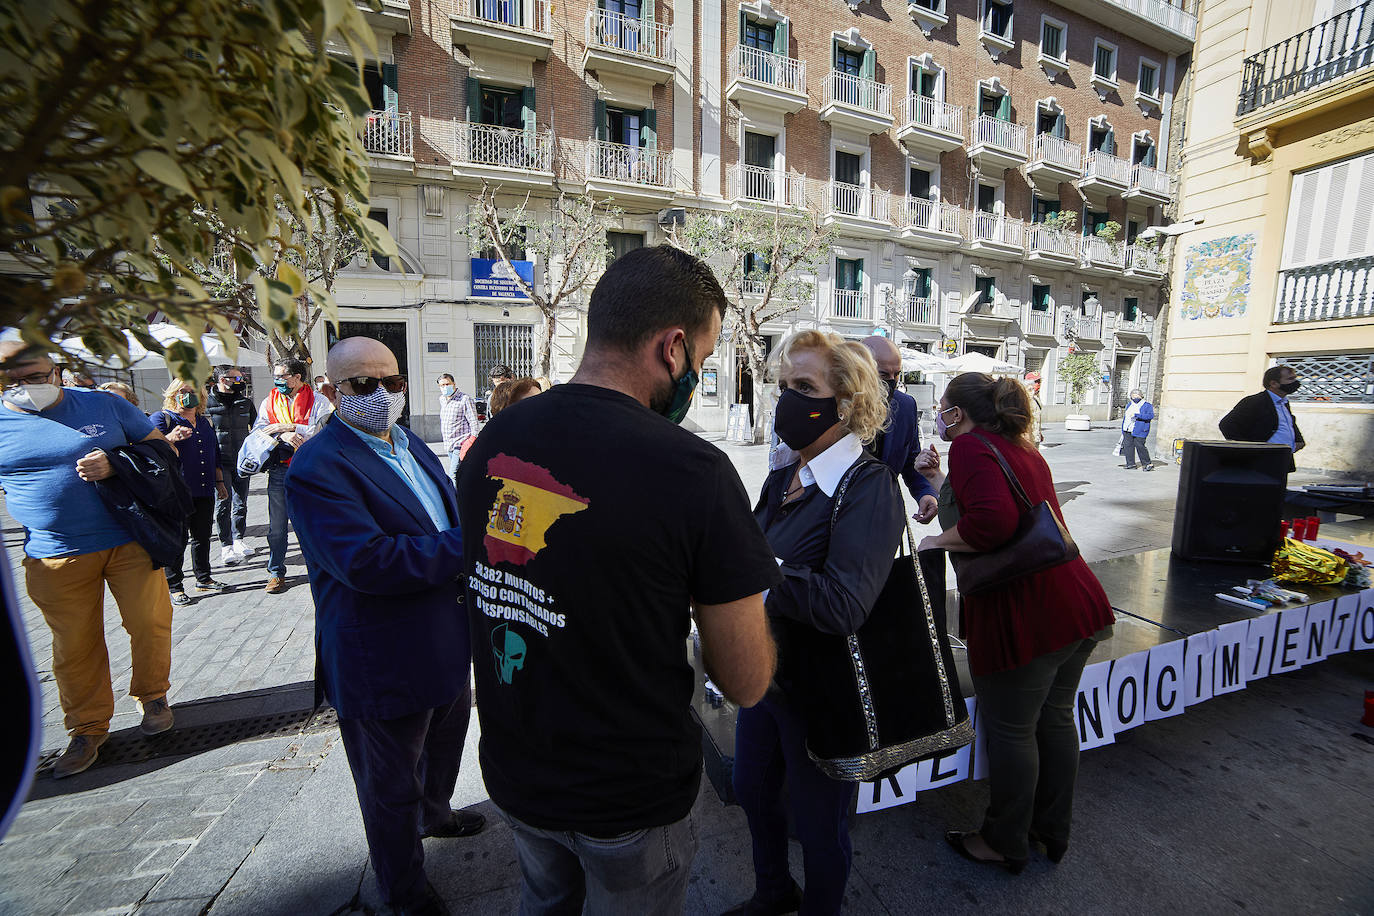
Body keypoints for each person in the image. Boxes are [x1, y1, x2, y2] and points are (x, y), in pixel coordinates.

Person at [456, 245, 778, 915]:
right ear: (672, 346)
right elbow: (745, 681)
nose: (699, 374)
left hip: (516, 774)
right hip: (630, 799)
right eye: (704, 359)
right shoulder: (695, 472)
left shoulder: (492, 444)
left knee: (542, 900)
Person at [286, 337, 481, 916]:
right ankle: (404, 891)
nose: (381, 396)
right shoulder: (317, 466)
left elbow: (442, 512)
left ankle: (437, 815)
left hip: (446, 640)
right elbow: (366, 561)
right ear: (330, 391)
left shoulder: (408, 442)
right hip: (383, 658)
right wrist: (475, 545)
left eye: (391, 384)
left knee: (444, 748)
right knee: (389, 786)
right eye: (363, 385)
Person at [729, 331, 905, 916]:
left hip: (823, 694)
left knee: (820, 826)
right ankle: (773, 890)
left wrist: (763, 568)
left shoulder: (869, 486)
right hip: (766, 678)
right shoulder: (785, 476)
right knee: (753, 792)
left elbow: (843, 604)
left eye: (804, 387)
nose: (787, 402)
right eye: (784, 387)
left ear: (849, 401)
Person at [916, 372, 1115, 873]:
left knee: (1012, 731)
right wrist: (941, 486)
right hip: (1075, 604)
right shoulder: (1016, 446)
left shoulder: (971, 448)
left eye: (941, 406)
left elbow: (993, 524)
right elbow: (994, 510)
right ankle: (1050, 831)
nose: (938, 414)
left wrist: (935, 543)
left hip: (1028, 615)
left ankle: (1004, 841)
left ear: (956, 413)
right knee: (1055, 719)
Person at [0, 342, 177, 778]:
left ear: (57, 372)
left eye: (35, 377)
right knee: (74, 645)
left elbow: (162, 450)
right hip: (54, 554)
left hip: (129, 540)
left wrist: (118, 463)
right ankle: (87, 728)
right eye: (12, 381)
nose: (26, 387)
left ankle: (153, 696)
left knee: (148, 621)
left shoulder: (105, 405)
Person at [252, 358, 331, 593]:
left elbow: (322, 430)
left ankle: (321, 568)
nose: (278, 381)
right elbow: (260, 429)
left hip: (311, 469)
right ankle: (276, 572)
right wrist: (281, 436)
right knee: (277, 527)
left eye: (283, 377)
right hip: (280, 469)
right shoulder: (269, 401)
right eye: (276, 377)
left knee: (312, 523)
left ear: (297, 378)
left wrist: (288, 427)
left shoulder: (319, 401)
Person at [153, 380, 229, 605]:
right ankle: (174, 586)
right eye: (182, 392)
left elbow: (214, 453)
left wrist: (220, 482)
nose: (187, 395)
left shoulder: (204, 422)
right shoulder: (162, 419)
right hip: (175, 490)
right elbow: (147, 449)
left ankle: (203, 578)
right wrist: (170, 438)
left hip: (204, 488)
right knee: (178, 539)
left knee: (202, 537)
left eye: (192, 392)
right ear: (173, 394)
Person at [859, 335, 939, 523]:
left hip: (883, 519)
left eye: (897, 374)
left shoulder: (905, 406)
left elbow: (911, 459)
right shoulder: (835, 406)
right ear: (861, 371)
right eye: (883, 375)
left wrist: (925, 493)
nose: (892, 381)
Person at [206, 365, 257, 565]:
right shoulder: (207, 403)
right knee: (223, 504)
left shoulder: (245, 402)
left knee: (241, 502)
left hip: (242, 461)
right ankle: (225, 545)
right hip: (219, 462)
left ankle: (238, 539)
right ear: (221, 380)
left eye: (240, 377)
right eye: (234, 378)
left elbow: (257, 427)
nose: (239, 381)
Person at [1219, 365, 1305, 472]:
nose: (1295, 382)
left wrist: (1298, 440)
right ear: (1274, 383)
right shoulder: (1254, 401)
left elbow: (1288, 423)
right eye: (1290, 379)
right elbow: (1227, 425)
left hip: (1282, 457)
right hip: (1262, 460)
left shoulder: (1284, 403)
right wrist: (1248, 450)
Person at [436, 372, 478, 482]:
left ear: (453, 384)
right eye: (442, 385)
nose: (445, 387)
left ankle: (455, 498)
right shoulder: (442, 399)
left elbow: (474, 422)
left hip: (460, 444)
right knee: (461, 474)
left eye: (447, 384)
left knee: (453, 474)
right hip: (449, 443)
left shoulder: (464, 399)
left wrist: (471, 441)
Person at [1120, 388, 1155, 471]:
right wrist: (1123, 428)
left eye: (1137, 396)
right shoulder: (1129, 405)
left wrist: (1137, 415)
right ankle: (1130, 464)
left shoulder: (1147, 405)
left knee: (1140, 446)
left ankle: (1147, 464)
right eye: (1133, 396)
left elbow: (1150, 416)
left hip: (1141, 429)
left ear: (1141, 396)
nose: (1135, 397)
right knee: (1128, 447)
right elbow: (1126, 417)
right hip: (1128, 429)